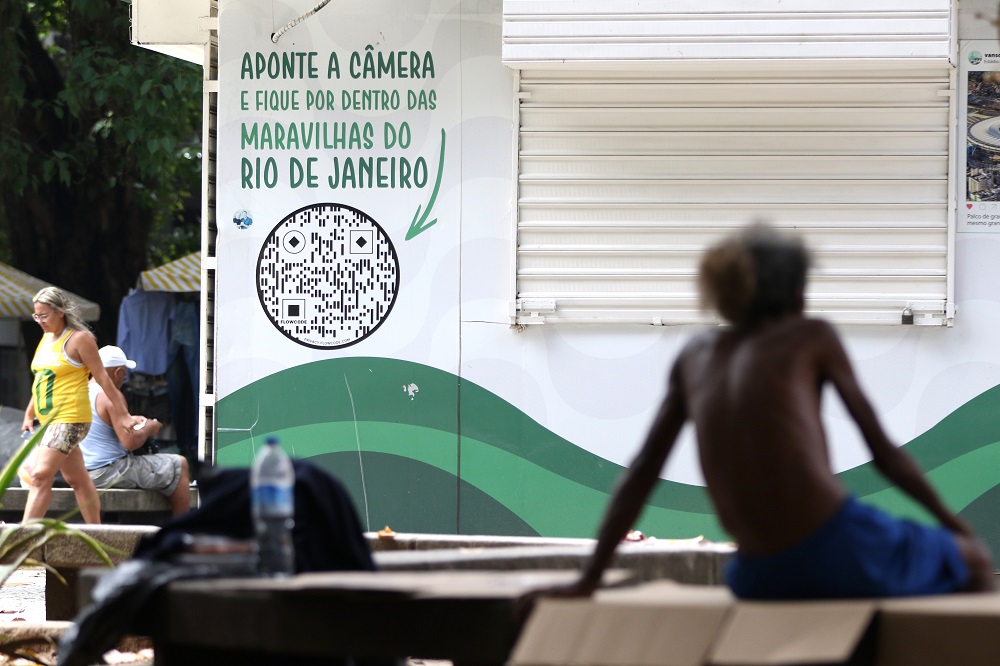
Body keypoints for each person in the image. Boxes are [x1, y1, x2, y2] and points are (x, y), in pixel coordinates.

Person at [549, 224, 994, 600]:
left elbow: (642, 471)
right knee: (970, 563)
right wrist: (961, 532)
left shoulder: (696, 354)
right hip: (836, 546)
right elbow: (885, 454)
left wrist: (590, 578)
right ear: (797, 290)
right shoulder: (810, 336)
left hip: (756, 573)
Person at [21, 287, 142, 523]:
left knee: (40, 476)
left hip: (70, 418)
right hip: (49, 421)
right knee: (79, 480)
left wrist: (124, 414)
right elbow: (42, 379)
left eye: (44, 315)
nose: (40, 321)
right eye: (36, 316)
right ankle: (97, 532)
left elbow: (104, 378)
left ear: (60, 312)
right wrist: (28, 414)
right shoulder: (46, 339)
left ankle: (20, 537)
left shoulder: (79, 339)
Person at [79, 346, 192, 516]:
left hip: (83, 472)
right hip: (107, 472)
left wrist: (134, 419)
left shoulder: (80, 392)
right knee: (179, 465)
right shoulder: (111, 396)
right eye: (124, 374)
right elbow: (130, 442)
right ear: (117, 373)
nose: (124, 379)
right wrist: (149, 426)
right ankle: (183, 532)